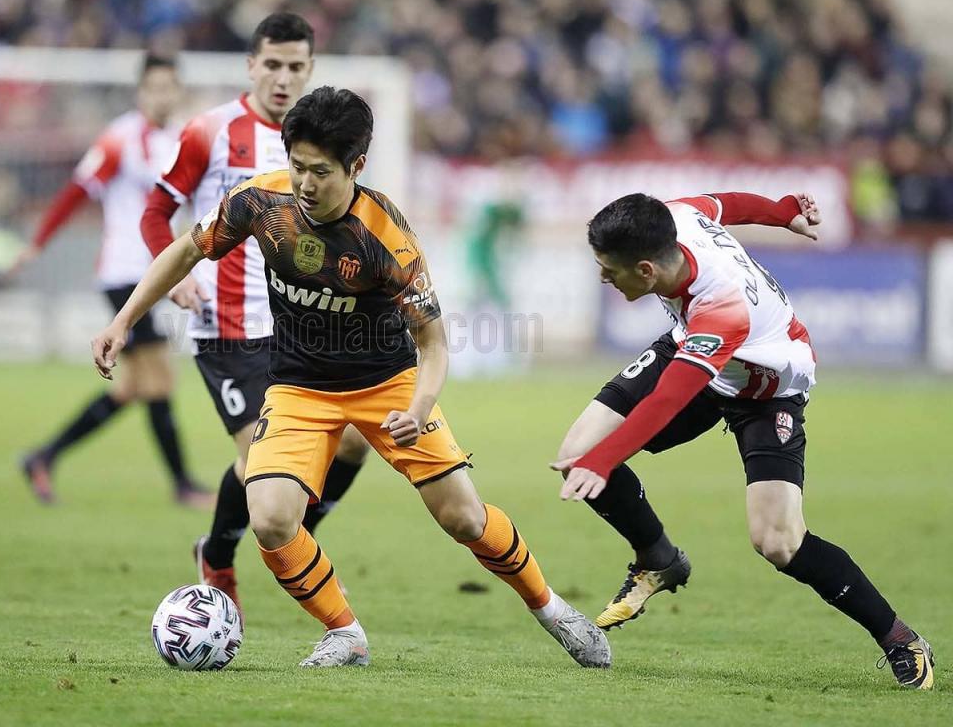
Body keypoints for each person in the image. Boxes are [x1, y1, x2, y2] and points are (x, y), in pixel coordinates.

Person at [94, 86, 611, 669]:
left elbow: (434, 345)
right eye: (297, 166)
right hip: (296, 387)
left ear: (356, 166)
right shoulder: (261, 201)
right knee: (268, 519)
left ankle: (553, 610)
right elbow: (186, 252)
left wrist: (418, 409)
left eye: (321, 171)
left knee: (463, 517)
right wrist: (123, 320)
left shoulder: (386, 236)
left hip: (386, 385)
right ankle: (345, 633)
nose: (306, 183)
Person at [553, 191, 934, 690]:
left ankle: (901, 639)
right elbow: (724, 204)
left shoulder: (721, 307)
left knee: (777, 541)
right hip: (694, 351)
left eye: (609, 270)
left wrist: (604, 461)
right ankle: (658, 559)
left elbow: (667, 401)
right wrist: (783, 212)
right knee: (575, 453)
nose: (603, 278)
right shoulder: (675, 216)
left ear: (646, 271)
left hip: (765, 387)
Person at [140, 13, 368, 610]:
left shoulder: (320, 139)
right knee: (258, 458)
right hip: (230, 326)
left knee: (352, 444)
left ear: (311, 69)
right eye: (273, 64)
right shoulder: (210, 131)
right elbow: (154, 214)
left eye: (296, 66)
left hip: (304, 327)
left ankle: (299, 542)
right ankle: (217, 555)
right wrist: (173, 284)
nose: (283, 77)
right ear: (250, 65)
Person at [11, 54, 211, 509]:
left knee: (134, 388)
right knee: (160, 378)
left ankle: (44, 456)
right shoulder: (120, 138)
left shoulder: (184, 137)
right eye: (154, 87)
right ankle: (182, 485)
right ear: (141, 92)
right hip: (124, 273)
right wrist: (38, 242)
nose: (163, 95)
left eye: (170, 87)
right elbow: (77, 191)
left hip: (158, 274)